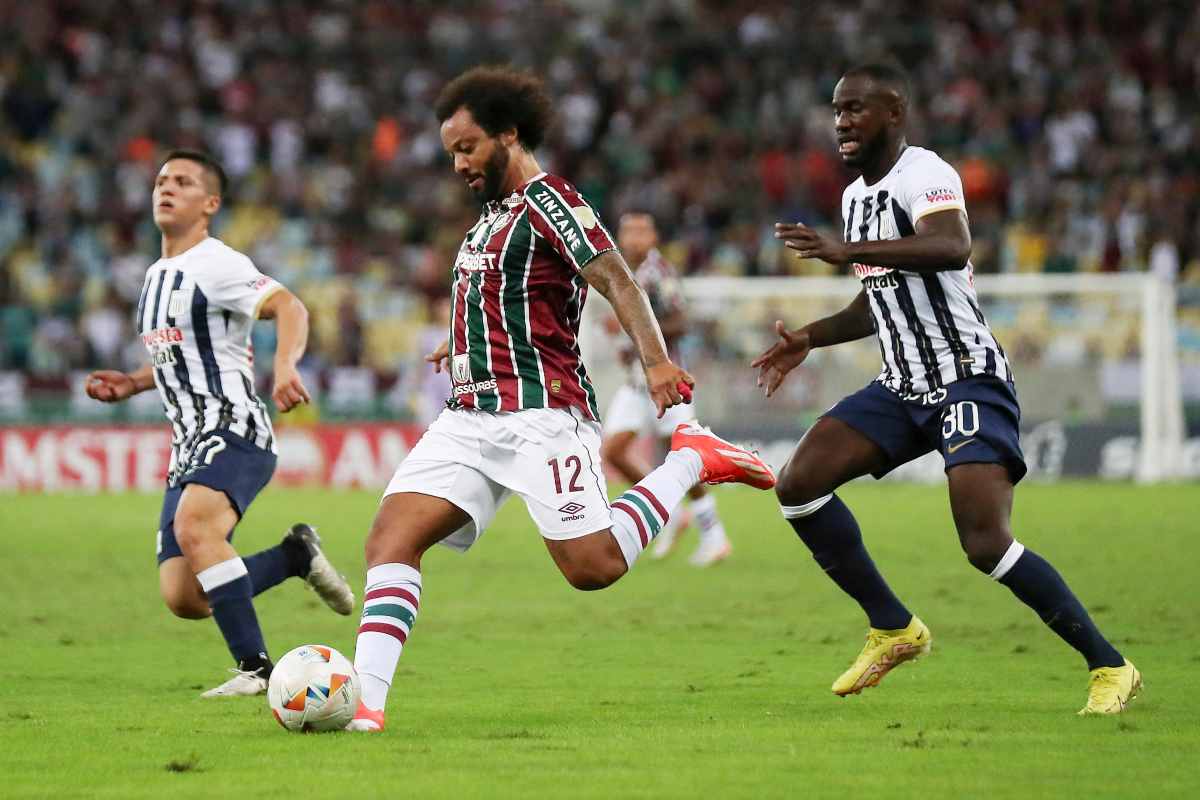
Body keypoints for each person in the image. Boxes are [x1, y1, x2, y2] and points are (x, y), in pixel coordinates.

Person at [347, 66, 776, 732]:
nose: (458, 164)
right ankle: (365, 706)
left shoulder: (553, 201)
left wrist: (657, 362)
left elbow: (619, 281)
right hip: (467, 419)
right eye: (450, 153)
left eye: (467, 148)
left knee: (593, 567)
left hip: (543, 415)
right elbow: (498, 295)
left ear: (509, 135)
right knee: (388, 542)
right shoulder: (491, 217)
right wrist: (458, 341)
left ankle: (692, 460)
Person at [753, 64, 1139, 714]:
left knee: (985, 544)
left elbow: (952, 246)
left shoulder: (926, 173)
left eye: (856, 109)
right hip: (901, 386)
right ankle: (894, 627)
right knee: (797, 485)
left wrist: (848, 249)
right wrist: (809, 338)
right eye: (837, 110)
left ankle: (1110, 666)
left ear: (895, 113)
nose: (842, 122)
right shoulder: (855, 198)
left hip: (965, 377)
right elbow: (880, 298)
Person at [86, 150, 354, 697]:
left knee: (196, 530)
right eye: (161, 180)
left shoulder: (217, 263)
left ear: (209, 204)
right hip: (187, 442)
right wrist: (133, 383)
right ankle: (293, 556)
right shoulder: (156, 276)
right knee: (186, 596)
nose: (166, 188)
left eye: (182, 182)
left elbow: (291, 307)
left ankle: (258, 670)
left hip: (232, 424)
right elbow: (178, 355)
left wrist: (284, 366)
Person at [599, 211, 730, 566]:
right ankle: (668, 513)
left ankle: (714, 534)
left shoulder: (660, 273)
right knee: (612, 452)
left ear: (654, 237)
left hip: (665, 379)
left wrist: (634, 331)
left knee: (681, 455)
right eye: (629, 230)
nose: (635, 237)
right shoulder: (624, 269)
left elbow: (681, 321)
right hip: (635, 382)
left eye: (642, 231)